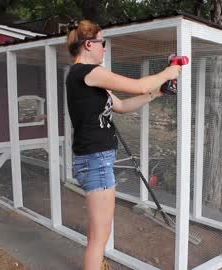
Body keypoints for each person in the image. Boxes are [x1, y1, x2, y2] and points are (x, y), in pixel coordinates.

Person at [65, 19, 181, 270]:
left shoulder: (90, 79)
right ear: (88, 45)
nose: (104, 49)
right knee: (98, 238)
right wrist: (168, 72)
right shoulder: (87, 72)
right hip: (95, 160)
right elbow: (137, 85)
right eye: (101, 43)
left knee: (101, 233)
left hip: (98, 159)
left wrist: (157, 92)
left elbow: (122, 107)